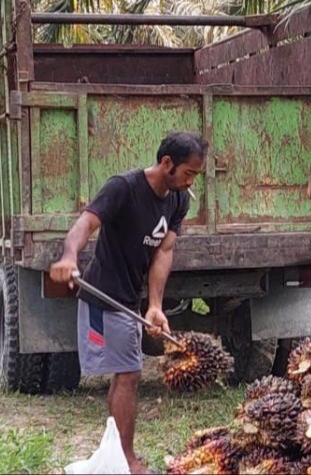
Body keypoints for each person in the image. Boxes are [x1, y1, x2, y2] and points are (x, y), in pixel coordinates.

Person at [50, 132, 207, 474]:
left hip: (130, 299)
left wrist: (154, 305)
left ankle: (120, 458)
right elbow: (85, 223)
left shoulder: (179, 200)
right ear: (167, 163)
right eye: (189, 173)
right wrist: (68, 255)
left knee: (129, 373)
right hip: (102, 296)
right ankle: (126, 460)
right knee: (129, 374)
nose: (192, 180)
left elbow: (164, 251)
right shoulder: (123, 187)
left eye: (196, 174)